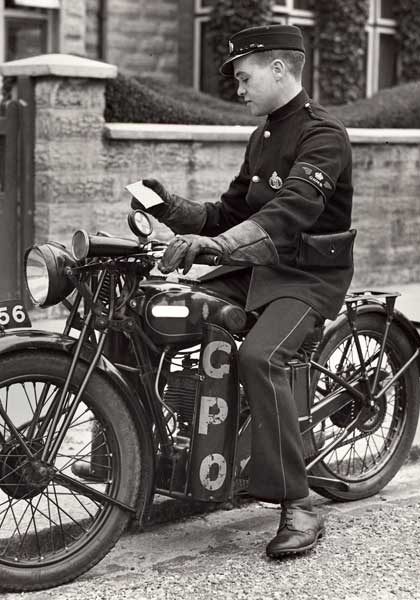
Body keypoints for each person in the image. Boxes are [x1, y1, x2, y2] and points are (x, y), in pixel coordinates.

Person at [136, 24, 354, 558]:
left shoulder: (324, 135)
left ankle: (298, 503)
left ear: (279, 68)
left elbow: (291, 210)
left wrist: (221, 246)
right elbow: (229, 211)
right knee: (162, 311)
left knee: (260, 358)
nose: (238, 87)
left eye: (243, 74)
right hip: (256, 267)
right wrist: (168, 208)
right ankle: (156, 455)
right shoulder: (261, 137)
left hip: (306, 275)